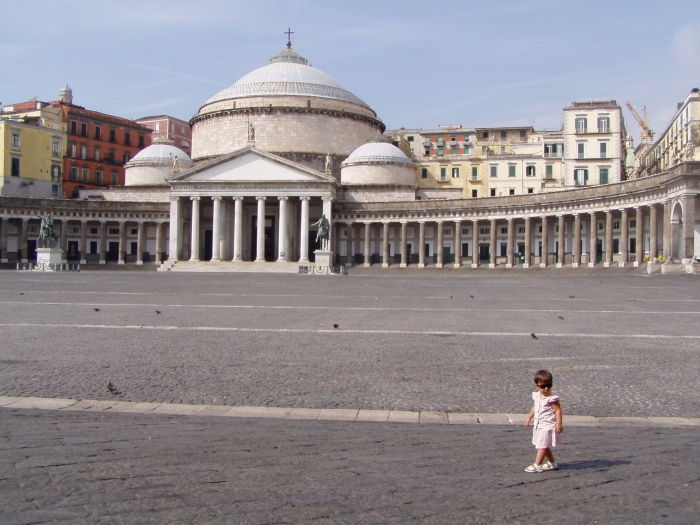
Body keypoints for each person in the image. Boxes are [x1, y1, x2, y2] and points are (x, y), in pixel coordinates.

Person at [524, 369, 563, 472]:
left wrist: (559, 423)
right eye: (542, 386)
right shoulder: (537, 396)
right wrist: (529, 417)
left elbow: (558, 411)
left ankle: (537, 464)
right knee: (544, 444)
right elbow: (535, 407)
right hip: (539, 424)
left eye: (549, 386)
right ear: (536, 386)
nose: (546, 389)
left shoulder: (552, 398)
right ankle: (552, 463)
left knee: (542, 445)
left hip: (547, 425)